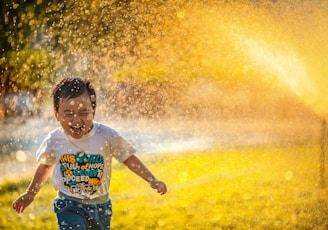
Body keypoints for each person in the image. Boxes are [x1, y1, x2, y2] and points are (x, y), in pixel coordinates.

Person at [12, 77, 167, 229]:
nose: (76, 120)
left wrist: (152, 180)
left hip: (101, 206)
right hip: (69, 204)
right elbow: (45, 166)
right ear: (57, 115)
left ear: (93, 111)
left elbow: (128, 158)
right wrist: (30, 193)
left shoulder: (107, 135)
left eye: (83, 112)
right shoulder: (55, 139)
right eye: (69, 113)